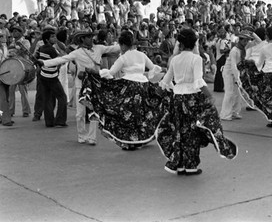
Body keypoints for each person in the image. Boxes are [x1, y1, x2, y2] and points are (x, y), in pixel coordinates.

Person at [157, 28, 237, 175]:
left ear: (180, 44)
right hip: (192, 99)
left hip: (177, 98)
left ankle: (178, 164)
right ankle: (190, 166)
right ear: (194, 44)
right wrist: (209, 97)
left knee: (179, 131)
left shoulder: (175, 59)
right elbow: (199, 81)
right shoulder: (196, 59)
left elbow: (166, 80)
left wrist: (158, 93)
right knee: (192, 133)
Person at [80, 31, 165, 150]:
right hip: (144, 86)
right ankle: (140, 140)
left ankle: (129, 142)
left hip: (129, 87)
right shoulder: (142, 55)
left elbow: (110, 73)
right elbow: (153, 68)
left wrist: (94, 72)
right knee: (141, 114)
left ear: (123, 45)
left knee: (126, 116)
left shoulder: (123, 57)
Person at [40, 30, 120, 145]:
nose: (91, 39)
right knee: (79, 114)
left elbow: (114, 48)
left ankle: (92, 137)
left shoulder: (99, 48)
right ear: (82, 39)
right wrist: (44, 63)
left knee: (94, 113)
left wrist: (127, 43)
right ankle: (82, 136)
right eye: (89, 37)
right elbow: (61, 59)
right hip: (80, 86)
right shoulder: (77, 52)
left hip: (95, 86)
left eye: (92, 37)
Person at [219, 30, 259, 121]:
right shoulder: (234, 50)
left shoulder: (245, 47)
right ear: (240, 40)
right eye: (244, 40)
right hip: (229, 72)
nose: (246, 43)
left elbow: (259, 42)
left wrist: (252, 32)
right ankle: (225, 114)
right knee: (229, 93)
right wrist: (237, 78)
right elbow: (233, 65)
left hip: (237, 72)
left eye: (247, 40)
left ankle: (234, 112)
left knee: (237, 94)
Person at [33, 29, 67, 128]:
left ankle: (49, 122)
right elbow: (60, 60)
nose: (55, 38)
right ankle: (60, 121)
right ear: (47, 40)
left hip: (43, 76)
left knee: (47, 99)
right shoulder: (51, 49)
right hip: (52, 77)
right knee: (62, 98)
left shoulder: (41, 48)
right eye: (52, 37)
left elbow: (36, 58)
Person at [7, 25, 32, 118]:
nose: (14, 33)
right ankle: (10, 110)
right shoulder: (12, 43)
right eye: (13, 31)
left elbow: (27, 52)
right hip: (13, 68)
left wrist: (18, 47)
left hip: (23, 68)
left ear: (21, 33)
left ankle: (26, 110)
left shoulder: (25, 41)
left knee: (23, 90)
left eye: (16, 31)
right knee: (11, 90)